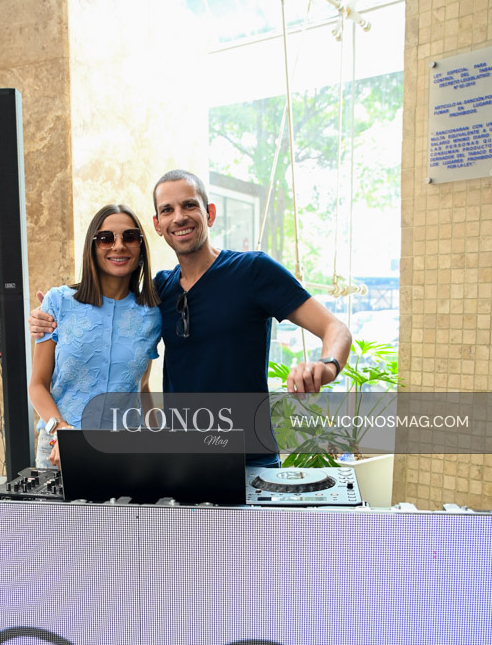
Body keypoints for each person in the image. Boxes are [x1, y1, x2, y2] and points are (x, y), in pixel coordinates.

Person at [30, 170, 352, 466]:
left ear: (209, 213)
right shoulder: (159, 291)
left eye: (189, 205)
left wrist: (326, 366)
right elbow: (123, 347)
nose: (179, 217)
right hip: (183, 463)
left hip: (249, 459)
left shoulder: (254, 271)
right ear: (158, 225)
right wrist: (52, 316)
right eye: (167, 210)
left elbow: (334, 328)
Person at [29, 204, 161, 467]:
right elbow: (37, 385)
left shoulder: (151, 314)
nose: (118, 246)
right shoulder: (58, 302)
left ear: (140, 248)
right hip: (61, 450)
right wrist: (60, 430)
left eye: (130, 237)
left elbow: (142, 386)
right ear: (92, 246)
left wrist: (159, 443)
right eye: (106, 238)